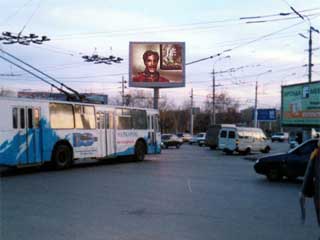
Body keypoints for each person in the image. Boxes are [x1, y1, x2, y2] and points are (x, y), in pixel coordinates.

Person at [299, 139, 320, 226]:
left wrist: (303, 192)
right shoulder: (316, 154)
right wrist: (303, 191)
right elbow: (309, 174)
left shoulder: (316, 153)